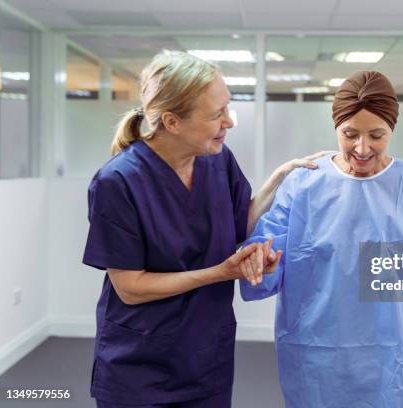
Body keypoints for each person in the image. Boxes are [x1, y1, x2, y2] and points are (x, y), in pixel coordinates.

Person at [82, 50, 322, 408]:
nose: (229, 122)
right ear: (172, 121)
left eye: (228, 108)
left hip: (207, 359)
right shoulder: (118, 182)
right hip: (140, 366)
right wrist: (222, 272)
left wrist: (279, 180)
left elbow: (238, 221)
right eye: (216, 114)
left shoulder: (217, 159)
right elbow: (130, 288)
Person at [240, 71, 403, 408]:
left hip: (393, 362)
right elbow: (264, 263)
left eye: (376, 135)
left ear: (392, 130)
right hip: (315, 360)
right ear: (336, 128)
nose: (362, 147)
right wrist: (262, 264)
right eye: (350, 134)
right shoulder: (303, 186)